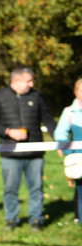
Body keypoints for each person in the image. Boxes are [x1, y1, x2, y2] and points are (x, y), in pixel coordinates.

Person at [0, 66, 58, 231]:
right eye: (28, 81)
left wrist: (59, 142)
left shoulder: (37, 97)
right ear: (16, 81)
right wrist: (9, 132)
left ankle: (37, 220)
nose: (31, 84)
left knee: (37, 188)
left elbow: (48, 120)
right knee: (10, 189)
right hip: (11, 154)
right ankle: (11, 219)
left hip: (35, 153)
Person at [53, 77, 82, 225]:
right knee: (81, 190)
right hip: (78, 158)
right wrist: (69, 156)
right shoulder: (69, 112)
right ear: (76, 92)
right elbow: (60, 135)